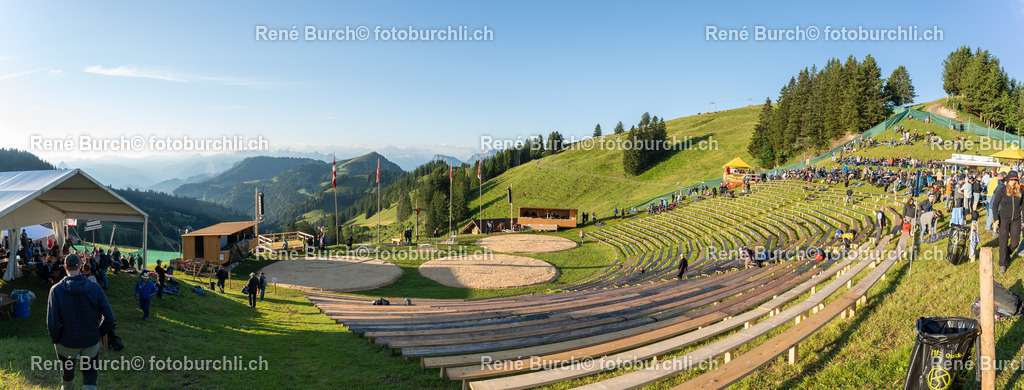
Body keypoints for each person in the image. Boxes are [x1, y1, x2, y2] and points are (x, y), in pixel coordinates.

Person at [46, 253, 116, 390]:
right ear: (80, 266)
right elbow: (109, 317)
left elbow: (52, 322)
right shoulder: (95, 288)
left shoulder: (56, 290)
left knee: (67, 374)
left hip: (66, 342)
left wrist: (56, 340)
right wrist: (98, 334)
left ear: (65, 267)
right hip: (90, 340)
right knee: (90, 375)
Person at [992, 171, 1024, 274]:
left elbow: (1023, 206)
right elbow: (995, 205)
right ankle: (1002, 264)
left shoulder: (1020, 191)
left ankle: (1007, 254)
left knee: (1015, 242)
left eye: (1015, 180)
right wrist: (996, 219)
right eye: (1012, 180)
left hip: (1016, 219)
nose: (1013, 182)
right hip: (1004, 219)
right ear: (1008, 180)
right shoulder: (1002, 190)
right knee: (1003, 242)